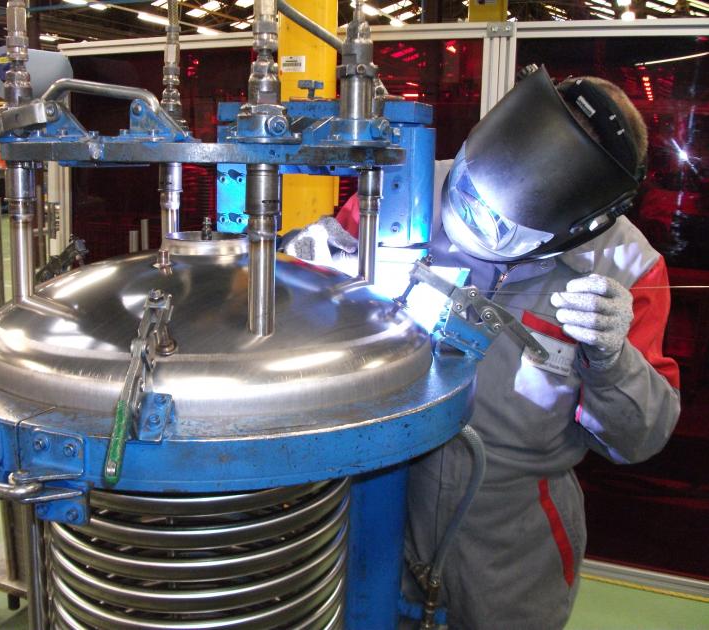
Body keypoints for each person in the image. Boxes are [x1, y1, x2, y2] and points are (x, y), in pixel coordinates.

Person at [285, 66, 681, 629]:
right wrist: (306, 264)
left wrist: (612, 361)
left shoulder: (626, 266)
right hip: (384, 491)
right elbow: (315, 302)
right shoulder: (408, 186)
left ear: (582, 211)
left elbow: (638, 438)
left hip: (511, 528)